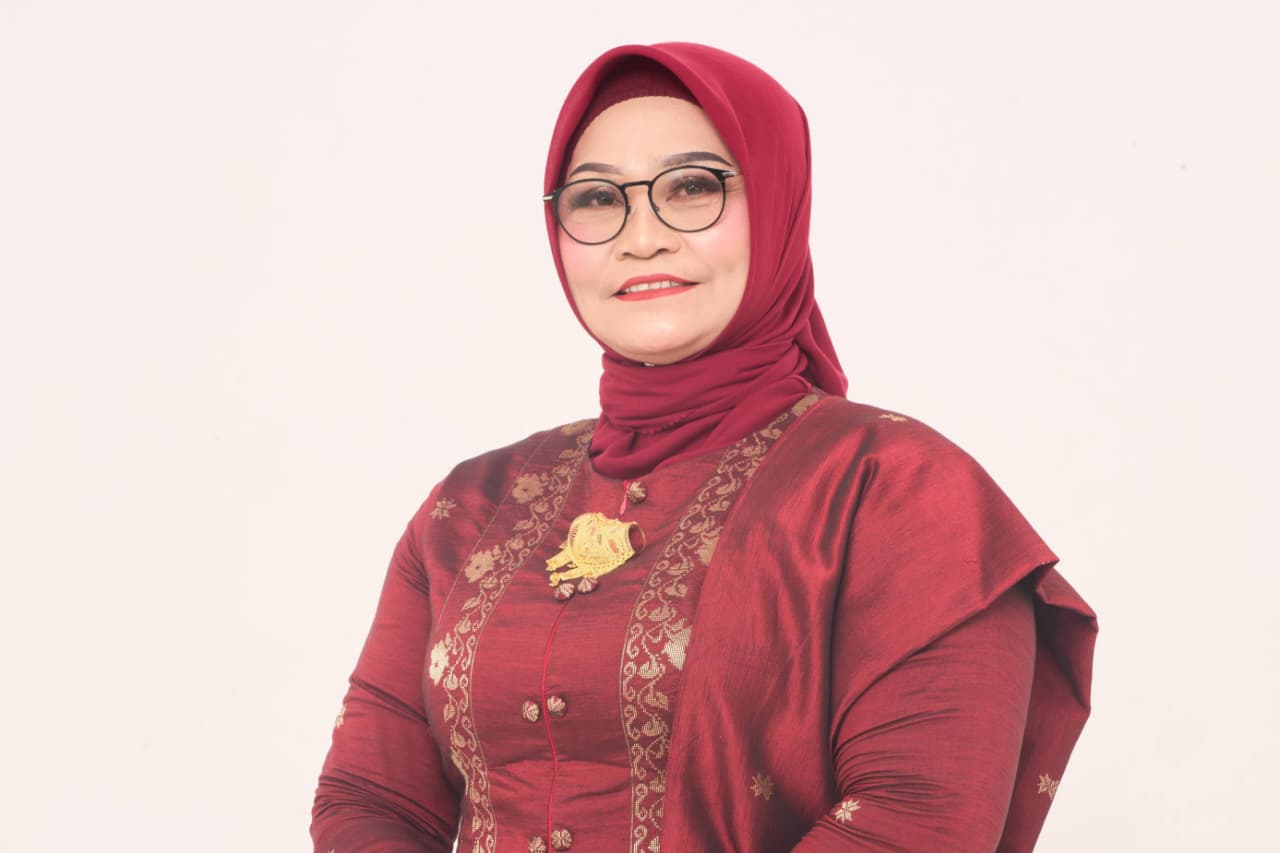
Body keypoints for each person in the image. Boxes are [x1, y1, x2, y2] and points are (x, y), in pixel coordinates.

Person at [311, 42, 1096, 853]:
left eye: (692, 187)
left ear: (778, 203)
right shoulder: (473, 505)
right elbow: (370, 796)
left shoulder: (897, 492)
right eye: (596, 198)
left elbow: (916, 815)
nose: (642, 237)